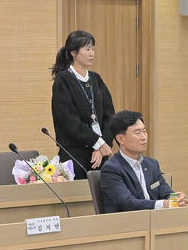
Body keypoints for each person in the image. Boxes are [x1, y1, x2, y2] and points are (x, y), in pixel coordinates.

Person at [49, 29, 116, 177]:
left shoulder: (96, 79)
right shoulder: (63, 80)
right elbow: (69, 121)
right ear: (73, 52)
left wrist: (102, 145)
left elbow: (110, 116)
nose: (92, 53)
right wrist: (98, 143)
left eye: (93, 49)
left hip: (100, 154)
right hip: (75, 155)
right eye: (87, 49)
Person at [94, 110, 175, 213]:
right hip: (127, 221)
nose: (144, 137)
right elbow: (128, 204)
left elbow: (166, 193)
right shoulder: (111, 169)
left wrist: (176, 199)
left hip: (154, 219)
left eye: (144, 131)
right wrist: (163, 204)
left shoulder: (152, 164)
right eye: (138, 133)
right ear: (120, 139)